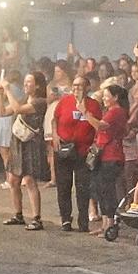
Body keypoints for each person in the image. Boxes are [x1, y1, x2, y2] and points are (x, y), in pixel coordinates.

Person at [51, 72, 102, 232]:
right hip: (64, 148)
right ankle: (66, 218)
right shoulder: (65, 101)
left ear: (87, 87)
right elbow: (55, 119)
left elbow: (98, 126)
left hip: (82, 151)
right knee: (64, 185)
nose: (76, 88)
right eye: (74, 85)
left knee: (82, 187)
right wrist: (55, 135)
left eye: (80, 85)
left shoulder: (93, 105)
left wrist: (84, 110)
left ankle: (83, 220)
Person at [3, 70, 49, 230]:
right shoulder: (23, 99)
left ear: (37, 85)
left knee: (29, 180)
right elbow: (2, 112)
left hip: (30, 143)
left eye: (29, 82)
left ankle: (37, 217)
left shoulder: (40, 102)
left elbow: (17, 109)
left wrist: (8, 90)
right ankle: (18, 214)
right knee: (13, 180)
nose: (25, 84)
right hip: (17, 142)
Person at [88, 83, 130, 227]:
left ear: (115, 97)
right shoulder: (112, 111)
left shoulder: (116, 112)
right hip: (105, 154)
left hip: (111, 155)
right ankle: (105, 225)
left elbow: (101, 125)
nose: (104, 99)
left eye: (107, 96)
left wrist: (86, 115)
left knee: (107, 190)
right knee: (101, 190)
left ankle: (110, 224)